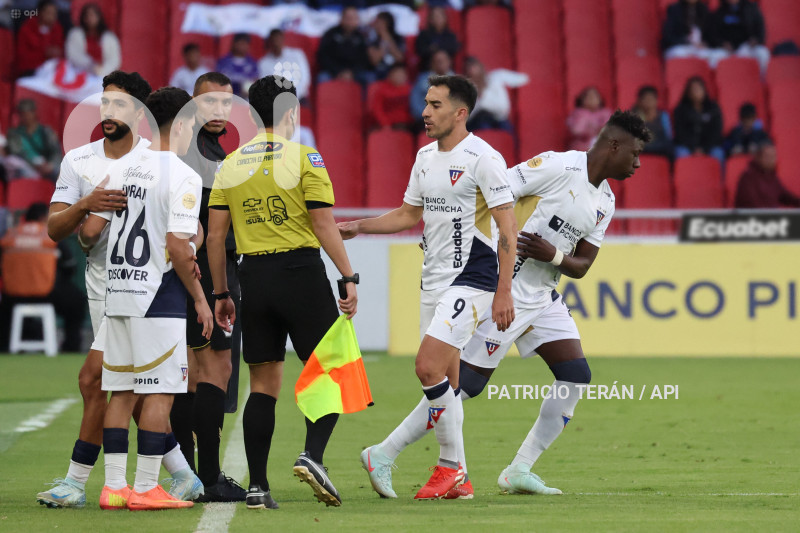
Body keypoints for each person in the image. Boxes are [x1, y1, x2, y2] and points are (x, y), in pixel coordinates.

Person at [358, 110, 652, 499]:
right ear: (614, 145)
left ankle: (519, 469)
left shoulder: (606, 201)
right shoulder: (556, 166)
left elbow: (581, 266)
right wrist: (449, 236)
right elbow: (488, 194)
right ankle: (383, 452)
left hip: (543, 296)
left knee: (576, 375)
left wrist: (554, 256)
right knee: (465, 388)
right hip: (504, 289)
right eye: (634, 153)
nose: (638, 163)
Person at [339, 75, 517, 500]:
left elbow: (508, 229)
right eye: (425, 103)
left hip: (472, 279)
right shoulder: (423, 157)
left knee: (426, 367)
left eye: (435, 104)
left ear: (460, 112)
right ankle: (449, 474)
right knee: (446, 387)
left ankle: (443, 466)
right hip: (433, 281)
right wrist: (357, 227)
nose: (425, 112)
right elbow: (406, 215)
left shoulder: (484, 158)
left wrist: (504, 290)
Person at [36, 71, 202, 509]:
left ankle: (86, 480)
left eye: (119, 104)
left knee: (107, 382)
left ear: (142, 114)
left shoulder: (145, 159)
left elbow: (192, 230)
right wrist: (87, 205)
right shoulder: (81, 160)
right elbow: (64, 231)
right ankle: (171, 477)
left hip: (132, 289)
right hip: (107, 287)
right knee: (127, 384)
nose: (107, 113)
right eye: (104, 103)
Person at [207, 75, 358, 509]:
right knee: (332, 371)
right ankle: (312, 456)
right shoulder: (305, 156)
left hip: (252, 276)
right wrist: (348, 275)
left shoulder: (231, 164)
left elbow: (215, 239)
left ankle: (257, 487)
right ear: (291, 112)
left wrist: (222, 294)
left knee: (263, 383)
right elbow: (323, 223)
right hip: (301, 272)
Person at [78, 86, 210, 511]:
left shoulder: (123, 167)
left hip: (117, 291)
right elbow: (177, 245)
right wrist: (201, 300)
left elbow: (92, 232)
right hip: (159, 296)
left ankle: (114, 487)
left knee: (122, 390)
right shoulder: (185, 175)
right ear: (185, 123)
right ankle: (149, 486)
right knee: (160, 392)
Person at [171, 71, 248, 503]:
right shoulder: (200, 155)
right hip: (208, 270)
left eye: (226, 103)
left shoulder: (207, 150)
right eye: (210, 102)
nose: (219, 111)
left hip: (190, 270)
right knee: (214, 371)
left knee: (190, 375)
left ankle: (188, 476)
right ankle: (209, 476)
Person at [0, 203, 86, 353]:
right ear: (43, 217)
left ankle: (5, 346)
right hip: (47, 294)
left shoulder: (9, 235)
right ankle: (71, 347)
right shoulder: (50, 234)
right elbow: (69, 267)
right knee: (77, 301)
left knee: (5, 311)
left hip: (12, 297)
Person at [464, 57, 529, 132]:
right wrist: (478, 95)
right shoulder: (466, 90)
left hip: (499, 121)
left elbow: (503, 110)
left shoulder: (497, 77)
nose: (474, 74)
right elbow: (467, 117)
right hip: (477, 124)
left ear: (482, 68)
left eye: (475, 67)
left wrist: (484, 96)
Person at [706, 0, 770, 75]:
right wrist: (722, 43)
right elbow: (712, 34)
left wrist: (756, 40)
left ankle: (761, 82)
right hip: (726, 49)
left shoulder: (751, 9)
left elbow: (760, 30)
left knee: (763, 53)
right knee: (713, 57)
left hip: (746, 47)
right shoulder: (720, 11)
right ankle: (717, 83)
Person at [672, 76, 724, 165]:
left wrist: (704, 149)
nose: (696, 92)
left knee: (718, 153)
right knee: (681, 153)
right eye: (693, 89)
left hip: (709, 146)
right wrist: (693, 148)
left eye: (698, 89)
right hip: (687, 146)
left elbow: (716, 132)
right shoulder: (680, 110)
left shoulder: (713, 109)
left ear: (704, 90)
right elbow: (680, 133)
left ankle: (720, 179)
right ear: (687, 92)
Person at [6, 99, 62, 180]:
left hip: (47, 166)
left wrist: (50, 165)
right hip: (27, 167)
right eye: (22, 114)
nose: (26, 116)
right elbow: (17, 153)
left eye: (28, 113)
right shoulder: (14, 134)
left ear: (34, 113)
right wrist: (34, 165)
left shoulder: (46, 132)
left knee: (63, 170)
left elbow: (56, 152)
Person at [662, 0, 727, 67]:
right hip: (681, 47)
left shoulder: (703, 9)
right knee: (680, 53)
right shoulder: (675, 9)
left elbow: (710, 34)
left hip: (699, 49)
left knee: (721, 55)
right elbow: (668, 36)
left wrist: (705, 43)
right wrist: (686, 40)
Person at [317, 6, 373, 84]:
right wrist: (338, 72)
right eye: (348, 18)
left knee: (370, 78)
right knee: (322, 78)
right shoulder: (331, 34)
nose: (351, 21)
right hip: (333, 71)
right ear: (341, 19)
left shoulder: (361, 37)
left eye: (354, 18)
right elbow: (323, 56)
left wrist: (352, 73)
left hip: (354, 73)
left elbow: (364, 59)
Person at [734, 142, 800, 208]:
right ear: (758, 157)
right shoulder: (748, 177)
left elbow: (785, 196)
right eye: (768, 156)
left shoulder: (772, 177)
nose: (772, 160)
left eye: (774, 156)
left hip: (773, 216)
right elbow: (750, 204)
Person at [65, 2, 121, 77]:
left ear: (99, 17)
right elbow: (73, 55)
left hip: (105, 75)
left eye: (92, 15)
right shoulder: (75, 34)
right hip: (79, 74)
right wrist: (90, 65)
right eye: (87, 16)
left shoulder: (110, 37)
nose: (90, 18)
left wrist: (103, 71)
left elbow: (114, 60)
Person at [257, 29, 311, 102]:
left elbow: (305, 79)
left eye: (278, 40)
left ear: (283, 40)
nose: (276, 43)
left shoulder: (297, 55)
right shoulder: (263, 63)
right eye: (273, 41)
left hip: (298, 97)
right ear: (269, 43)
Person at [15, 0, 64, 76]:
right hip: (31, 69)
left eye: (54, 14)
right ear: (40, 13)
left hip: (53, 69)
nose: (51, 16)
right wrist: (44, 53)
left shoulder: (57, 28)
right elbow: (22, 57)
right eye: (48, 13)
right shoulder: (27, 28)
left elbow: (60, 51)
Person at [411, 49, 454, 124]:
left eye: (443, 60)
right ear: (432, 64)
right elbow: (415, 103)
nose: (441, 63)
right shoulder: (422, 80)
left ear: (449, 62)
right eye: (438, 61)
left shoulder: (457, 81)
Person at [632, 85, 673, 160]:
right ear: (640, 101)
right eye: (646, 99)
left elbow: (668, 136)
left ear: (656, 100)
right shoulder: (634, 116)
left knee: (670, 148)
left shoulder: (663, 116)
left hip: (659, 147)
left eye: (651, 98)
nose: (649, 102)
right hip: (643, 148)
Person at [567, 87, 613, 152]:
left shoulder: (605, 113)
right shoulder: (578, 114)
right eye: (588, 97)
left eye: (595, 97)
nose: (592, 99)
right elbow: (576, 131)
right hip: (583, 147)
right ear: (581, 100)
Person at [415, 6, 460, 73]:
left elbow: (454, 48)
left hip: (446, 71)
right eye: (435, 16)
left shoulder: (451, 35)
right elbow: (420, 51)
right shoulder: (423, 34)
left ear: (445, 18)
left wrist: (435, 48)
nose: (437, 18)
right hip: (428, 71)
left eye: (440, 16)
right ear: (430, 19)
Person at [368, 62, 412, 130]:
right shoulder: (381, 90)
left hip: (407, 123)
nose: (400, 76)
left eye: (403, 74)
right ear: (390, 75)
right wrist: (385, 124)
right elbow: (377, 109)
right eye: (397, 73)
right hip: (388, 123)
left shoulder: (411, 90)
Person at [215, 33, 259, 99]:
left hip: (245, 99)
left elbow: (254, 83)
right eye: (241, 43)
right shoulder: (223, 62)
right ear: (234, 44)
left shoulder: (252, 63)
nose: (243, 46)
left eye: (245, 43)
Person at [367, 11, 406, 80]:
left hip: (395, 69)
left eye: (382, 23)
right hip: (377, 70)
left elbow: (399, 58)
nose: (378, 26)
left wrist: (386, 36)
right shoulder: (372, 39)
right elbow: (375, 61)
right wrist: (383, 43)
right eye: (377, 23)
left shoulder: (398, 38)